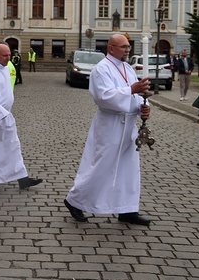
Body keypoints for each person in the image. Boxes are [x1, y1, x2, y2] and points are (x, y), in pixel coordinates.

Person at [63, 34, 152, 226]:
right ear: (111, 48)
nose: (127, 50)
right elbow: (103, 96)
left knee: (129, 169)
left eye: (128, 46)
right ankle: (75, 200)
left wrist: (142, 107)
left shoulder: (127, 68)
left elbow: (136, 95)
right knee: (101, 167)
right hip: (110, 124)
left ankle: (127, 209)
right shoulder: (101, 69)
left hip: (128, 125)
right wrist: (131, 90)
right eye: (123, 47)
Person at [0, 43, 42, 192]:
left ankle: (22, 178)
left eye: (9, 55)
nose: (8, 58)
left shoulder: (5, 67)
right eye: (5, 55)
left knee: (13, 146)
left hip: (6, 116)